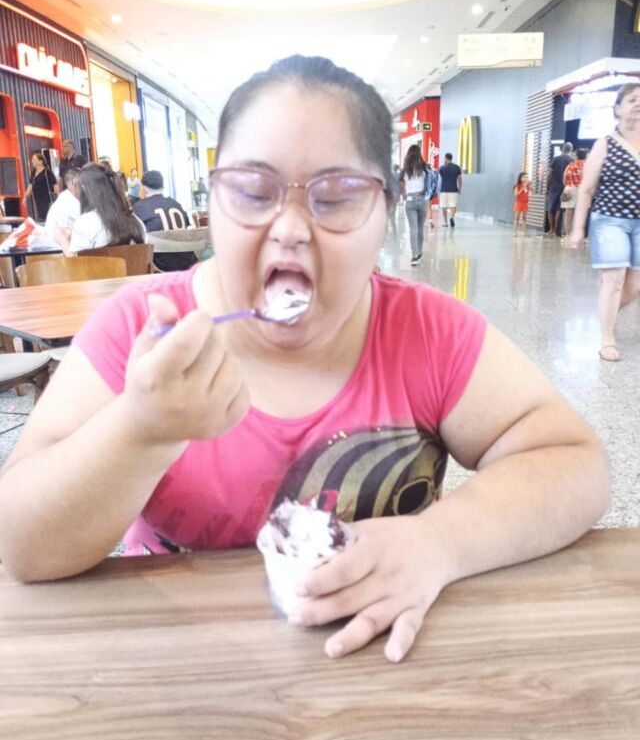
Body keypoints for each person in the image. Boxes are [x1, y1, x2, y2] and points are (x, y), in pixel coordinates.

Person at [0, 56, 609, 666]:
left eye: (337, 197)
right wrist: (138, 429)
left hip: (379, 668)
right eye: (252, 192)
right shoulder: (142, 329)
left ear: (387, 212)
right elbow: (22, 545)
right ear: (214, 201)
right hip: (179, 671)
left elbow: (574, 464)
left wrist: (440, 541)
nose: (290, 227)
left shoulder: (425, 331)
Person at [569, 84, 640, 362]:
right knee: (614, 280)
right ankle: (607, 339)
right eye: (632, 100)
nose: (638, 104)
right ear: (617, 109)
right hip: (610, 221)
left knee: (633, 287)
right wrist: (578, 228)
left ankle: (604, 310)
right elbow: (586, 189)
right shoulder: (605, 144)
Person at [66, 163, 146, 254]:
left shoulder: (85, 223)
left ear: (84, 188)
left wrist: (62, 240)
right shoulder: (136, 222)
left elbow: (78, 262)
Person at [133, 170, 195, 271]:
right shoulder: (176, 204)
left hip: (160, 266)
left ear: (145, 189)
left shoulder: (140, 207)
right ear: (162, 186)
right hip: (186, 263)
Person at [399, 145, 437, 266]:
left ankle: (414, 255)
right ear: (420, 153)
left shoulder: (405, 169)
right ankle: (419, 252)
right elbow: (433, 181)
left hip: (410, 199)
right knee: (420, 228)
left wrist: (405, 195)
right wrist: (426, 191)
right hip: (422, 199)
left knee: (413, 229)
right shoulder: (425, 167)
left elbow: (401, 184)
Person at [44, 167, 81, 251]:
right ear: (73, 184)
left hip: (58, 247)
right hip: (60, 250)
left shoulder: (64, 197)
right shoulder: (71, 202)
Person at [546, 142, 573, 237]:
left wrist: (547, 186)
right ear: (570, 150)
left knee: (550, 208)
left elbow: (550, 174)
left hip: (554, 186)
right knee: (559, 209)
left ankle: (551, 229)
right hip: (565, 187)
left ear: (562, 149)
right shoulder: (571, 160)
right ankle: (556, 230)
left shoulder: (556, 159)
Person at [22, 151, 57, 221]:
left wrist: (58, 197)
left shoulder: (47, 172)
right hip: (37, 198)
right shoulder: (33, 172)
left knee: (44, 216)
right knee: (40, 215)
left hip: (46, 199)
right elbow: (31, 185)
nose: (32, 161)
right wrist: (25, 197)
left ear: (40, 161)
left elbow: (55, 184)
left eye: (34, 159)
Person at [561, 148, 587, 236]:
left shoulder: (570, 165)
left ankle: (568, 234)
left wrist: (567, 186)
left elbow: (564, 178)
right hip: (582, 190)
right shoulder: (586, 166)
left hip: (570, 189)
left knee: (568, 212)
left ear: (576, 156)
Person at [438, 153, 462, 228]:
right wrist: (459, 188)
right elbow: (460, 179)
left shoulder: (442, 168)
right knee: (453, 205)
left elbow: (439, 178)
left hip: (444, 190)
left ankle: (445, 222)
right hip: (453, 189)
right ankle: (452, 217)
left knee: (444, 206)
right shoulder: (457, 167)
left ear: (446, 158)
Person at [513, 172, 531, 237]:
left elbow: (533, 189)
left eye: (527, 177)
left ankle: (525, 233)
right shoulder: (517, 185)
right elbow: (515, 194)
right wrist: (522, 189)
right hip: (519, 203)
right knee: (517, 218)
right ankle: (515, 232)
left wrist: (530, 185)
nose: (526, 178)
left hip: (525, 203)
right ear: (520, 178)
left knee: (524, 218)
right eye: (524, 177)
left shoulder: (528, 185)